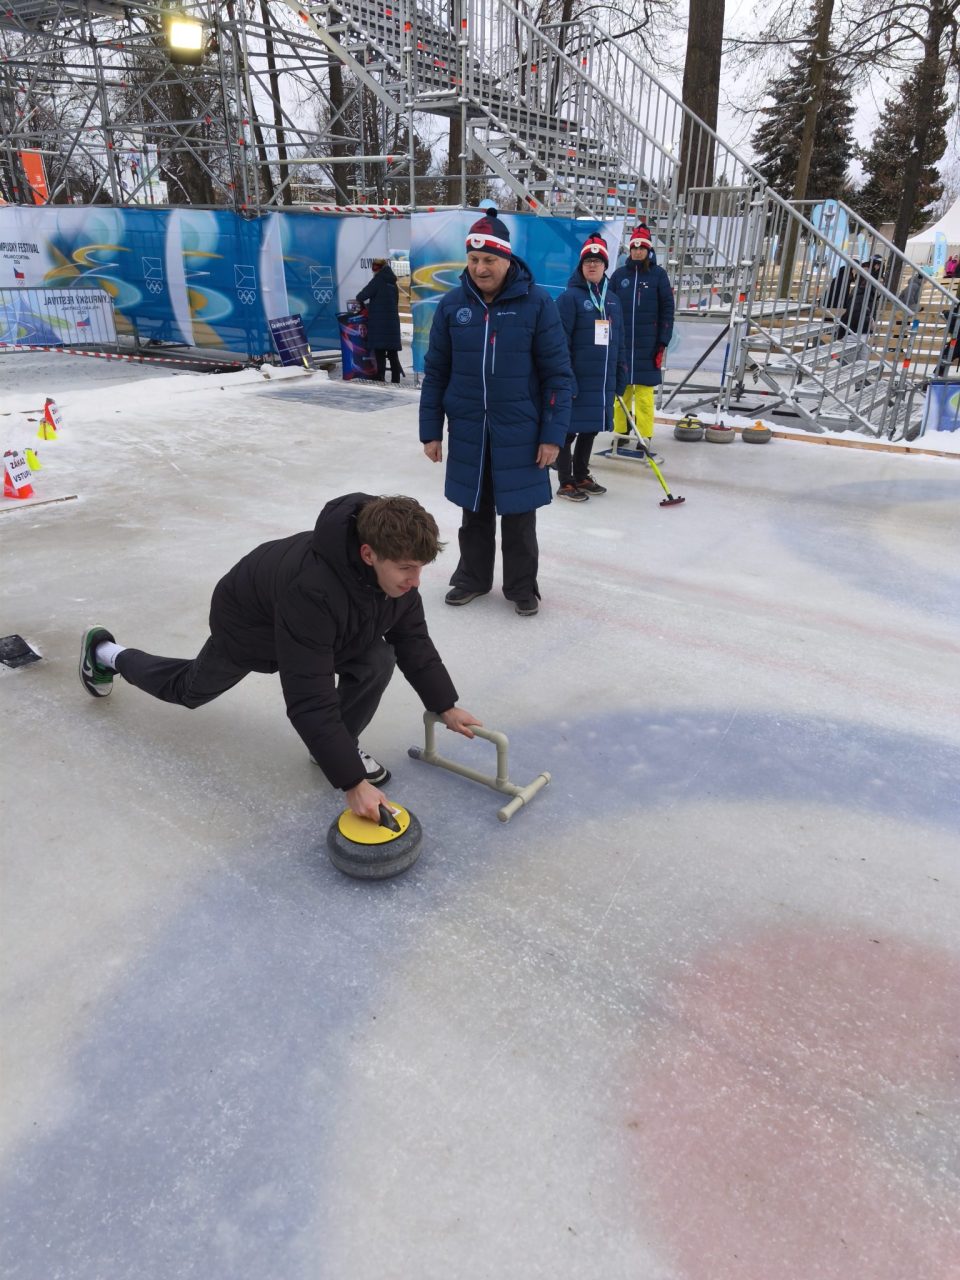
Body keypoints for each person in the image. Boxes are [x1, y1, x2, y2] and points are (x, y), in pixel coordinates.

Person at [78, 494, 481, 821]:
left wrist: (444, 704)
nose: (415, 581)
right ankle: (107, 653)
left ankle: (337, 746)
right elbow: (309, 696)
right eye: (406, 568)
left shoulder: (395, 580)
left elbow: (413, 640)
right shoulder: (313, 589)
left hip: (322, 624)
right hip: (249, 625)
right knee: (189, 690)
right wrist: (352, 782)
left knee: (377, 659)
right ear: (368, 553)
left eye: (421, 568)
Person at [419, 207, 573, 617]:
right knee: (474, 512)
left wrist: (551, 435)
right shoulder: (453, 306)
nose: (480, 268)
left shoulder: (538, 303)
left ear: (507, 260)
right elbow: (436, 372)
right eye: (473, 260)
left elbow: (558, 376)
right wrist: (430, 431)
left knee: (520, 518)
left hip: (521, 431)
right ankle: (471, 579)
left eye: (489, 260)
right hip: (470, 428)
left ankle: (522, 587)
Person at [554, 233, 627, 502]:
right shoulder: (569, 298)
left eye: (597, 261)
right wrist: (566, 378)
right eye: (588, 261)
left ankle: (582, 474)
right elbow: (559, 343)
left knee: (590, 428)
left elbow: (619, 340)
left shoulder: (613, 301)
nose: (592, 265)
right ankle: (565, 480)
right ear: (581, 266)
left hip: (601, 380)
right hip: (577, 379)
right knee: (567, 429)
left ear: (606, 266)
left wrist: (621, 373)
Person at [609, 223, 675, 451]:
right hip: (623, 345)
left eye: (642, 248)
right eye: (634, 248)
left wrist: (662, 341)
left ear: (648, 250)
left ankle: (645, 436)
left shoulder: (658, 275)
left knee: (645, 396)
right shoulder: (619, 276)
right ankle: (620, 432)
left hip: (648, 346)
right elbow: (608, 307)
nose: (637, 252)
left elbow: (668, 309)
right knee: (622, 392)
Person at [356, 257, 404, 383]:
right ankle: (396, 380)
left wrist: (369, 306)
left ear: (378, 268)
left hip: (379, 323)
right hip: (392, 323)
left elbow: (361, 296)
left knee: (380, 353)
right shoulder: (393, 282)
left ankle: (380, 378)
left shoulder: (377, 280)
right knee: (393, 354)